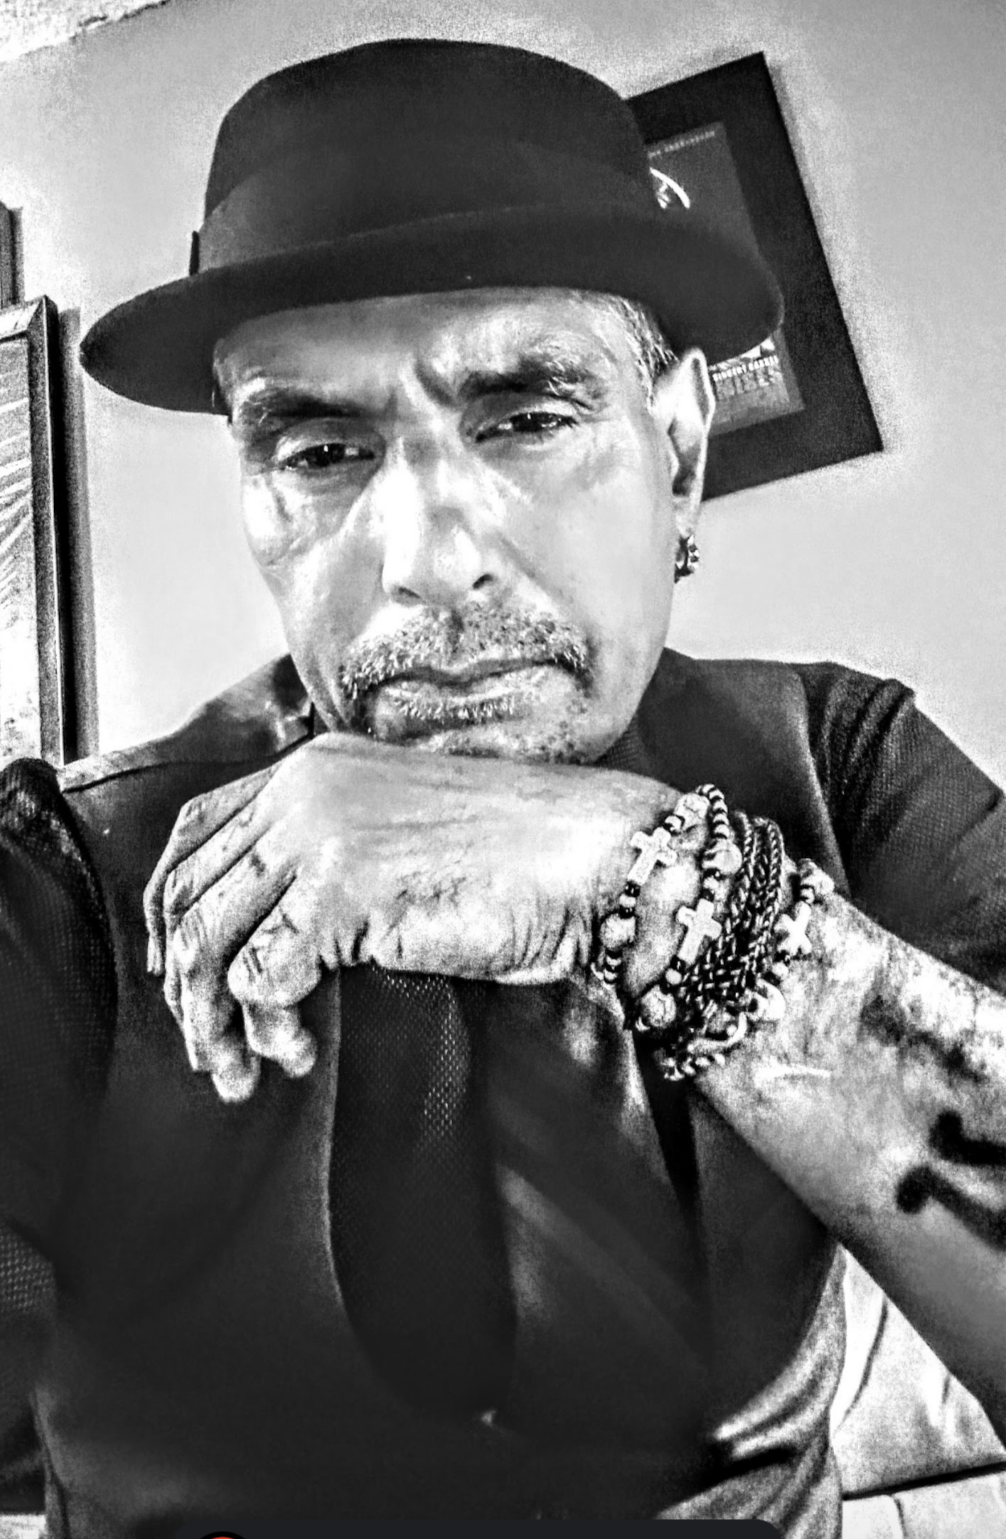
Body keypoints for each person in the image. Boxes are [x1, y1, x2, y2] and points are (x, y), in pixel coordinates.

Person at [0, 36, 1004, 1539]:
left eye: (527, 418)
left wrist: (672, 895)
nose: (428, 559)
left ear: (679, 446)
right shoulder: (71, 887)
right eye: (321, 449)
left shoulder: (842, 766)